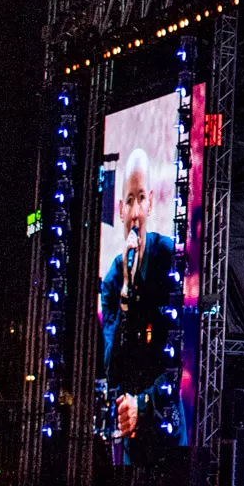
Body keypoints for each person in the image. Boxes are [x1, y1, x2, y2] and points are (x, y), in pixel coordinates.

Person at [99, 148, 182, 453]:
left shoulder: (168, 257)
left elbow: (181, 355)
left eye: (141, 199)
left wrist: (144, 403)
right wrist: (125, 291)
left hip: (164, 415)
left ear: (150, 203)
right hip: (128, 422)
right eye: (130, 201)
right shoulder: (112, 279)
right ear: (121, 209)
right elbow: (111, 364)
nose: (135, 213)